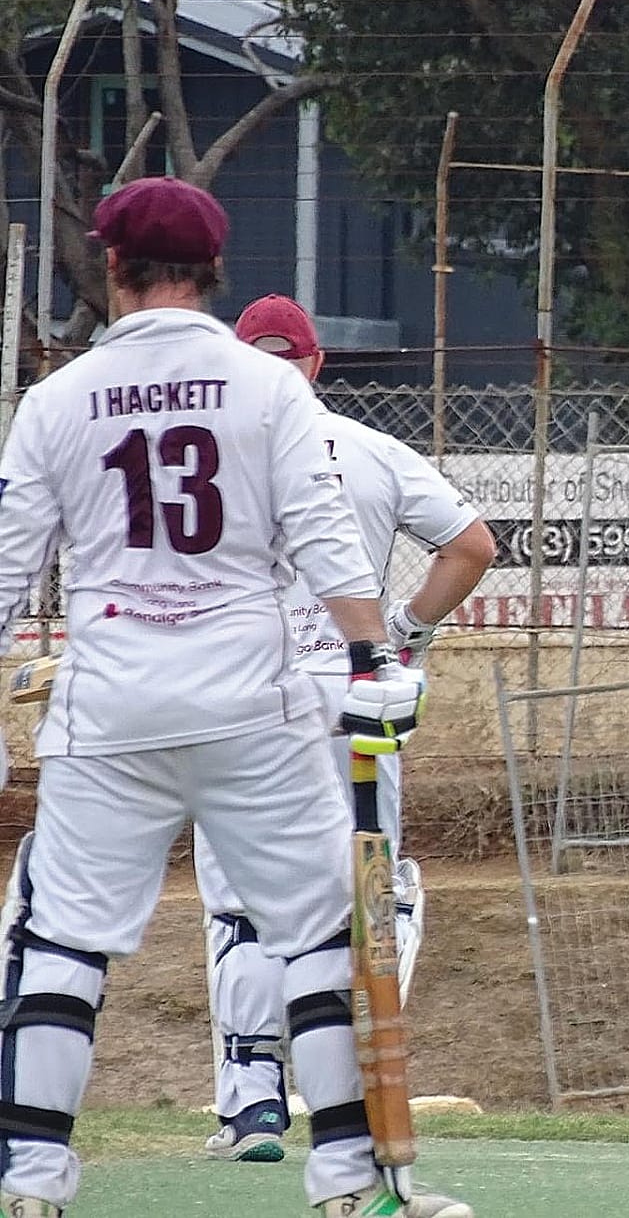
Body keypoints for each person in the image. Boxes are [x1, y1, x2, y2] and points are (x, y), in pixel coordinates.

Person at [0, 179, 464, 1218]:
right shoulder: (269, 389)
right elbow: (322, 535)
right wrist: (366, 658)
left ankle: (31, 1180)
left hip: (111, 696)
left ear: (111, 267)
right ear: (211, 271)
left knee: (63, 938)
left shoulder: (58, 399)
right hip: (252, 696)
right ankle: (349, 1176)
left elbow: (7, 561)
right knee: (312, 932)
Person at [193, 294, 495, 1166]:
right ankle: (358, 1089)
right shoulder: (371, 450)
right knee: (366, 894)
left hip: (241, 703)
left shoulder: (203, 463)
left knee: (243, 906)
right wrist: (404, 629)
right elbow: (472, 545)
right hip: (351, 697)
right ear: (317, 365)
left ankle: (252, 1104)